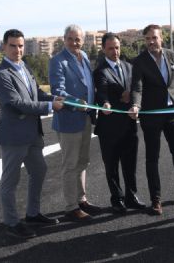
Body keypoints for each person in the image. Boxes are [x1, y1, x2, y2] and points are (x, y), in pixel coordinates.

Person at [0, 29, 64, 239]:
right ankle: (12, 223)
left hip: (32, 134)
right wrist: (51, 106)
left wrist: (56, 97)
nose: (18, 50)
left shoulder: (24, 67)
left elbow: (36, 93)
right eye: (13, 45)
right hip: (14, 136)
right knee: (10, 181)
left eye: (21, 45)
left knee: (39, 171)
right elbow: (16, 104)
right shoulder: (0, 75)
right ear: (4, 47)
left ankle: (32, 214)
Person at [129, 24, 174, 215]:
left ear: (161, 38)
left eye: (154, 38)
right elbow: (137, 87)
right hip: (151, 115)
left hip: (172, 112)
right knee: (152, 158)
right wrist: (136, 105)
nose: (151, 42)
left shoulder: (171, 54)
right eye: (147, 39)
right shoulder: (139, 61)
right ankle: (156, 199)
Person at [49, 25, 99, 223]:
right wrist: (76, 102)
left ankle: (81, 199)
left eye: (77, 39)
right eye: (70, 39)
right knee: (70, 165)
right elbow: (58, 90)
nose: (74, 42)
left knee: (83, 161)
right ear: (64, 39)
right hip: (69, 119)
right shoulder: (57, 61)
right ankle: (71, 207)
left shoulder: (84, 56)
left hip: (86, 117)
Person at [93, 32, 146, 213]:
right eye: (110, 48)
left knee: (130, 164)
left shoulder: (129, 67)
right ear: (103, 50)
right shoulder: (100, 71)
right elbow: (102, 92)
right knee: (112, 166)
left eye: (117, 47)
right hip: (109, 128)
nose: (115, 51)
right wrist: (106, 103)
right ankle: (117, 199)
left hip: (129, 125)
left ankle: (132, 196)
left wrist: (133, 101)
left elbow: (137, 89)